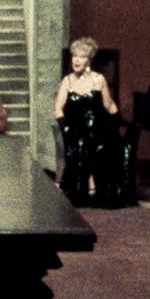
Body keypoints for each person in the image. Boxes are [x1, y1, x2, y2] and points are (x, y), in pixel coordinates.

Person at [55, 36, 123, 204]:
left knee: (99, 140)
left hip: (97, 127)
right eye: (74, 56)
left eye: (82, 56)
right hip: (74, 128)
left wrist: (119, 124)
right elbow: (58, 108)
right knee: (79, 140)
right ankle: (86, 184)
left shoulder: (99, 79)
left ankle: (95, 184)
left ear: (89, 60)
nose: (76, 60)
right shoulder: (67, 81)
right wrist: (64, 128)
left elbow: (109, 105)